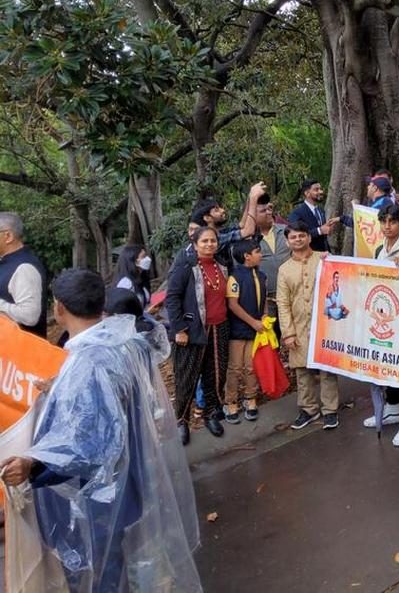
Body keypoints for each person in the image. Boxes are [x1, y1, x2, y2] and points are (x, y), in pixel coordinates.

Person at [0, 269, 202, 592]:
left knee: (102, 573)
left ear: (60, 309)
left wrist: (32, 463)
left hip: (99, 496)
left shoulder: (86, 363)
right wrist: (60, 388)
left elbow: (87, 447)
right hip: (130, 478)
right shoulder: (124, 342)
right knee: (122, 562)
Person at [165, 226, 230, 443]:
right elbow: (172, 298)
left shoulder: (221, 264)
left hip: (219, 328)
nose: (210, 244)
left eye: (213, 241)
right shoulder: (185, 266)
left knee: (215, 374)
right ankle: (181, 420)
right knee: (187, 377)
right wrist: (179, 329)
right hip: (192, 331)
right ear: (195, 244)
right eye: (204, 241)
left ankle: (211, 413)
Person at [277, 221, 340, 431]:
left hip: (324, 324)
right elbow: (283, 304)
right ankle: (309, 409)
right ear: (287, 242)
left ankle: (330, 410)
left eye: (301, 235)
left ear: (309, 237)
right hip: (299, 326)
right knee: (302, 370)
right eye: (293, 237)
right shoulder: (284, 270)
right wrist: (288, 333)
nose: (298, 240)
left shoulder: (324, 259)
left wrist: (330, 260)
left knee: (326, 369)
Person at [367, 205, 399, 444]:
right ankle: (392, 407)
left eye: (392, 222)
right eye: (383, 222)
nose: (387, 227)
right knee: (387, 362)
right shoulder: (381, 248)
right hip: (386, 315)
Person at [223, 240, 266, 425]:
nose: (261, 255)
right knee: (235, 368)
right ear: (247, 256)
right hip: (238, 330)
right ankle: (230, 401)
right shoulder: (234, 277)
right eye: (257, 252)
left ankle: (250, 398)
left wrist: (264, 316)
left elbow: (263, 299)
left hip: (256, 329)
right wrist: (253, 322)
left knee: (251, 366)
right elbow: (233, 304)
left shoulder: (262, 276)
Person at [188, 181, 268, 267]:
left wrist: (249, 198)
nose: (223, 210)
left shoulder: (221, 232)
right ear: (207, 218)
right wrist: (253, 198)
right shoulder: (214, 239)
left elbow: (242, 225)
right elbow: (248, 231)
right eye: (216, 210)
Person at [0, 211, 48, 337]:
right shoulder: (7, 262)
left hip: (22, 353)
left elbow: (30, 316)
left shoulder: (24, 268)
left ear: (8, 236)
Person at [255, 194, 291, 328]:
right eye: (263, 211)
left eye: (269, 209)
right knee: (270, 341)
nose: (269, 212)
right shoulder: (249, 238)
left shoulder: (285, 231)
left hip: (289, 297)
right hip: (265, 302)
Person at [288, 179, 338, 252]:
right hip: (308, 255)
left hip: (325, 253)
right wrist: (319, 230)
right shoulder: (296, 213)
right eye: (316, 190)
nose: (321, 192)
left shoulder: (321, 210)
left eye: (320, 189)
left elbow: (322, 233)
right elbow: (297, 234)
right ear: (307, 193)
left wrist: (328, 229)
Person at [112, 244, 153, 309]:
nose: (148, 259)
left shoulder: (142, 279)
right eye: (143, 257)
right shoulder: (126, 283)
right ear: (134, 261)